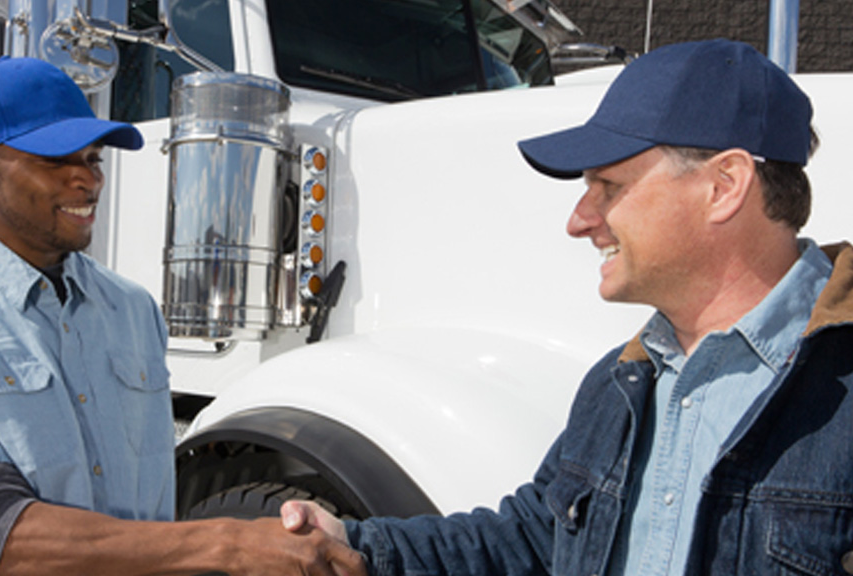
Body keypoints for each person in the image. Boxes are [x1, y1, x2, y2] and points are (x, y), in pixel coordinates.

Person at [280, 38, 853, 575]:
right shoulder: (619, 383)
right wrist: (354, 545)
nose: (579, 221)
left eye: (608, 186)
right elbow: (536, 538)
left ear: (724, 186)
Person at [0, 56, 363, 576]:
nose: (85, 179)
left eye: (92, 158)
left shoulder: (133, 310)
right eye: (53, 159)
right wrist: (228, 542)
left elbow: (149, 507)